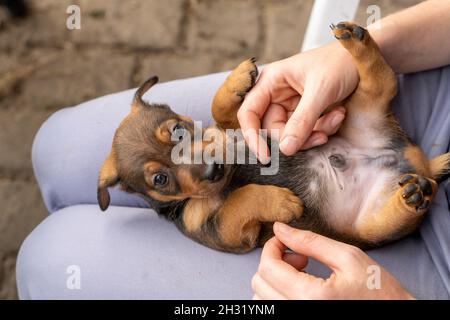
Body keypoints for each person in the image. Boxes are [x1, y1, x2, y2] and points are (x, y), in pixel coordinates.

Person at [16, 0, 450, 299]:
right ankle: (382, 97)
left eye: (179, 135)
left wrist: (226, 113)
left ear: (159, 105)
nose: (197, 163)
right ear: (147, 195)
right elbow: (230, 200)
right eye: (162, 178)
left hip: (361, 208)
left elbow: (236, 233)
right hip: (365, 139)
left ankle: (408, 200)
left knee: (49, 256)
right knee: (56, 145)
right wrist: (352, 52)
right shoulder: (189, 210)